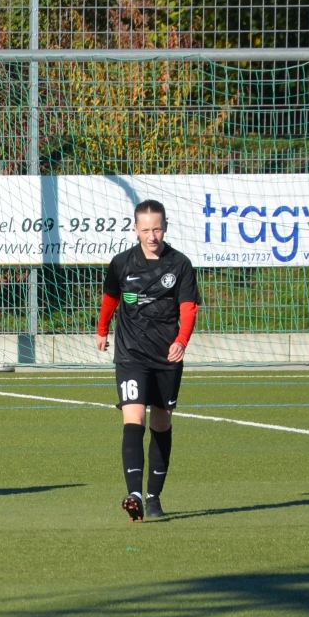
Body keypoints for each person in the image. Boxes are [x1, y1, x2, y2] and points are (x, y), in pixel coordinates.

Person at [96, 199, 200, 522]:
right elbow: (110, 299)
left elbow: (188, 308)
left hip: (166, 355)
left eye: (157, 229)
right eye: (145, 230)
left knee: (161, 423)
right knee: (134, 418)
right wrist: (102, 330)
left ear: (165, 227)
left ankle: (154, 496)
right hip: (131, 354)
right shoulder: (121, 263)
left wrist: (181, 341)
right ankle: (135, 495)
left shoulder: (180, 265)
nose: (151, 236)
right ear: (135, 229)